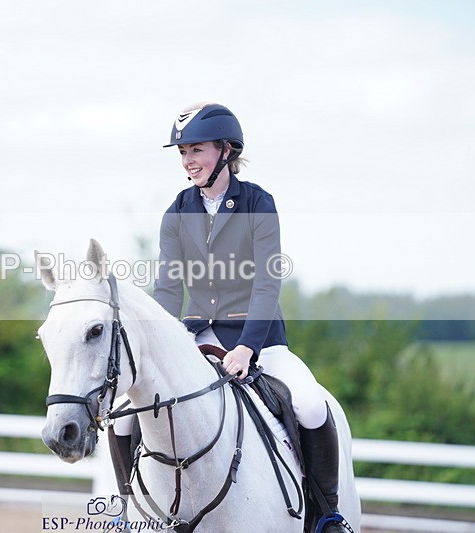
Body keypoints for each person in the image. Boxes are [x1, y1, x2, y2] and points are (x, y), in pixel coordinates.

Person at [110, 102, 347, 532]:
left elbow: (266, 284)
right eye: (182, 152)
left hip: (259, 339)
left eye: (195, 150)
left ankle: (326, 513)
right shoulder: (177, 212)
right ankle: (130, 506)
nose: (188, 161)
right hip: (196, 337)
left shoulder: (258, 202)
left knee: (312, 405)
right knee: (126, 413)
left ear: (225, 150)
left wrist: (246, 347)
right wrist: (156, 342)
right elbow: (167, 288)